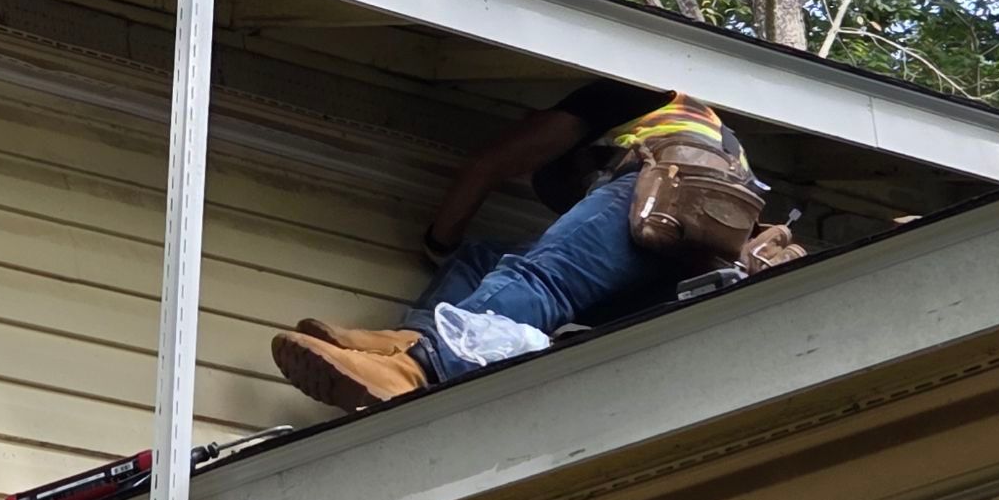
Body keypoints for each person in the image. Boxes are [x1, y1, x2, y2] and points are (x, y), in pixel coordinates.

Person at [270, 81, 763, 412]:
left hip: (671, 188)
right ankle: (405, 339)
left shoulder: (628, 94)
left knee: (540, 279)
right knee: (487, 261)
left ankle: (413, 366)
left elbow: (489, 165)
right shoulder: (720, 136)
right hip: (705, 254)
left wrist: (438, 242)